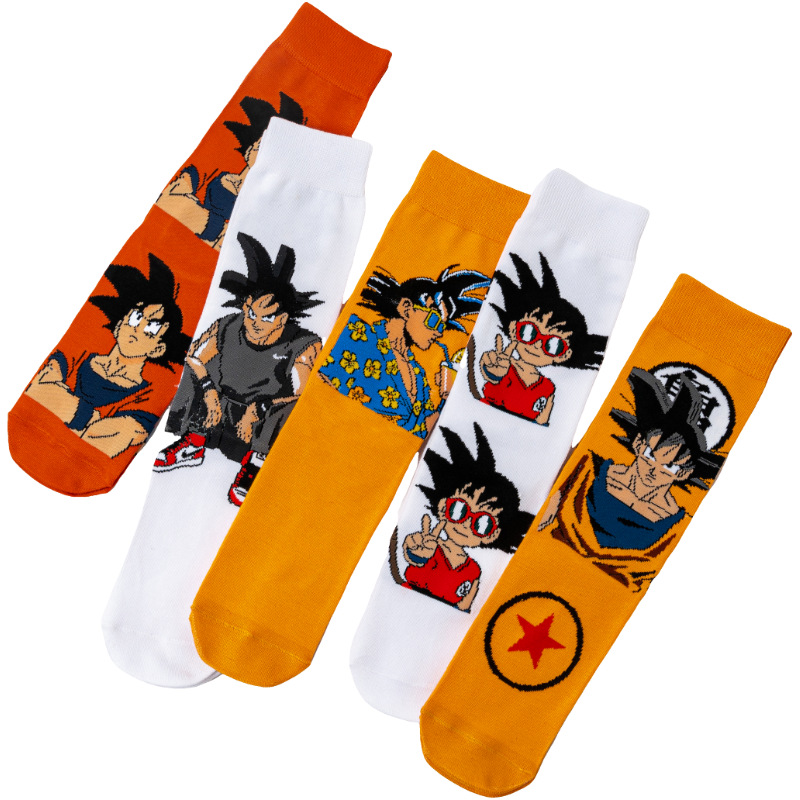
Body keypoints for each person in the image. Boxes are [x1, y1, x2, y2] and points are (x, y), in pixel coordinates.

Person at [155, 232, 322, 506]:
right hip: (221, 403)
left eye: (267, 317)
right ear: (245, 306)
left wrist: (260, 408)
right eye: (252, 313)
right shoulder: (229, 324)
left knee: (292, 408)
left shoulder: (303, 343)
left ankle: (256, 463)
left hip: (262, 417)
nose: (255, 322)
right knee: (195, 367)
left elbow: (303, 393)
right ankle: (194, 440)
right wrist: (208, 391)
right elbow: (196, 357)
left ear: (282, 319)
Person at [538, 366, 727, 592]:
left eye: (668, 466)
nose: (654, 469)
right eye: (650, 455)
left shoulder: (672, 525)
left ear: (683, 473)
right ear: (638, 444)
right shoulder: (586, 471)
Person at [25, 255, 191, 458]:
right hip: (28, 432)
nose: (137, 328)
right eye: (136, 317)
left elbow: (115, 439)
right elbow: (41, 388)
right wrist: (90, 420)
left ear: (158, 349)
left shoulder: (145, 396)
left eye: (151, 329)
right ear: (120, 323)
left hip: (85, 464)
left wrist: (65, 404)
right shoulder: (79, 356)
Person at [319, 265, 490, 437]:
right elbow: (321, 381)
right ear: (406, 308)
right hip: (325, 432)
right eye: (434, 320)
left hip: (380, 450)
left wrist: (446, 396)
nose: (438, 333)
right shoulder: (356, 333)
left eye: (442, 327)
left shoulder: (419, 377)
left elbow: (421, 430)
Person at [392, 423, 534, 611]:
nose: (466, 524)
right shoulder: (428, 544)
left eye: (482, 523)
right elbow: (411, 556)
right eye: (459, 510)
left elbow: (466, 605)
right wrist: (416, 552)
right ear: (443, 506)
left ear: (492, 535)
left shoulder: (473, 570)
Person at [155, 93, 305, 249]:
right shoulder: (217, 172)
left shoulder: (268, 198)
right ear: (250, 149)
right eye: (260, 146)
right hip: (187, 238)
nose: (261, 151)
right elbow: (172, 198)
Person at [478, 252, 607, 424]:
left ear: (564, 355)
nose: (537, 345)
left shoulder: (547, 387)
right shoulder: (503, 364)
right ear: (513, 329)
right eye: (529, 332)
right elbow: (491, 371)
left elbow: (543, 419)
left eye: (553, 345)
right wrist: (492, 370)